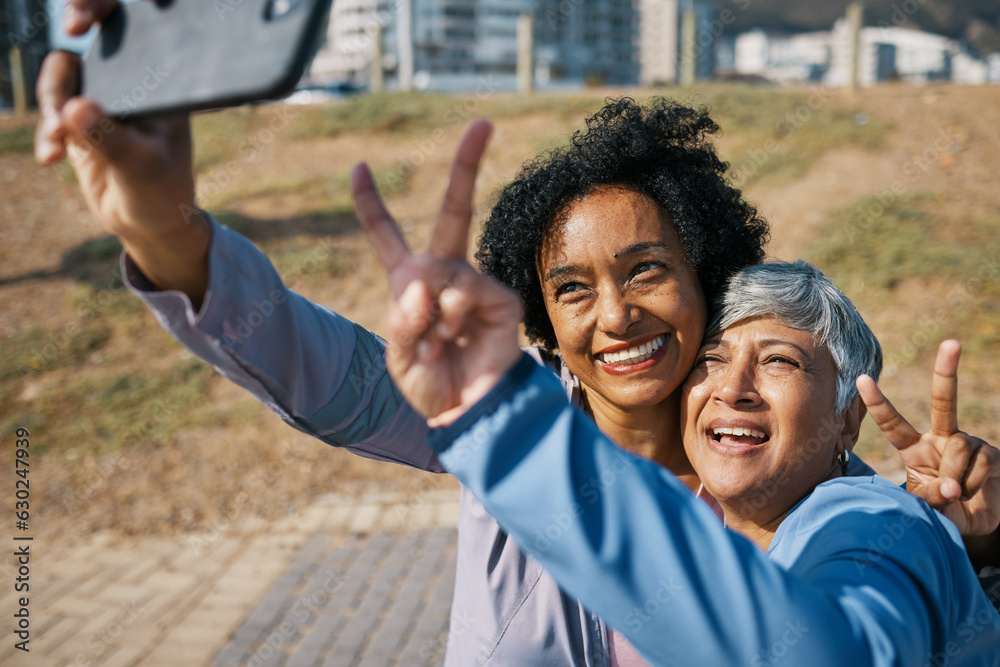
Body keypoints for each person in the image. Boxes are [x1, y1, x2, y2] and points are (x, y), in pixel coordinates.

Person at [35, 2, 1000, 662]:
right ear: (543, 320)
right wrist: (165, 228)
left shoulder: (816, 495)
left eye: (647, 271)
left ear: (708, 280)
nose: (614, 316)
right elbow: (313, 363)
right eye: (571, 288)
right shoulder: (510, 419)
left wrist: (970, 546)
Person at [379, 255, 1000, 665]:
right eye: (711, 359)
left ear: (847, 418)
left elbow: (847, 644)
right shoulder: (705, 512)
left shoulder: (868, 521)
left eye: (780, 360)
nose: (734, 387)